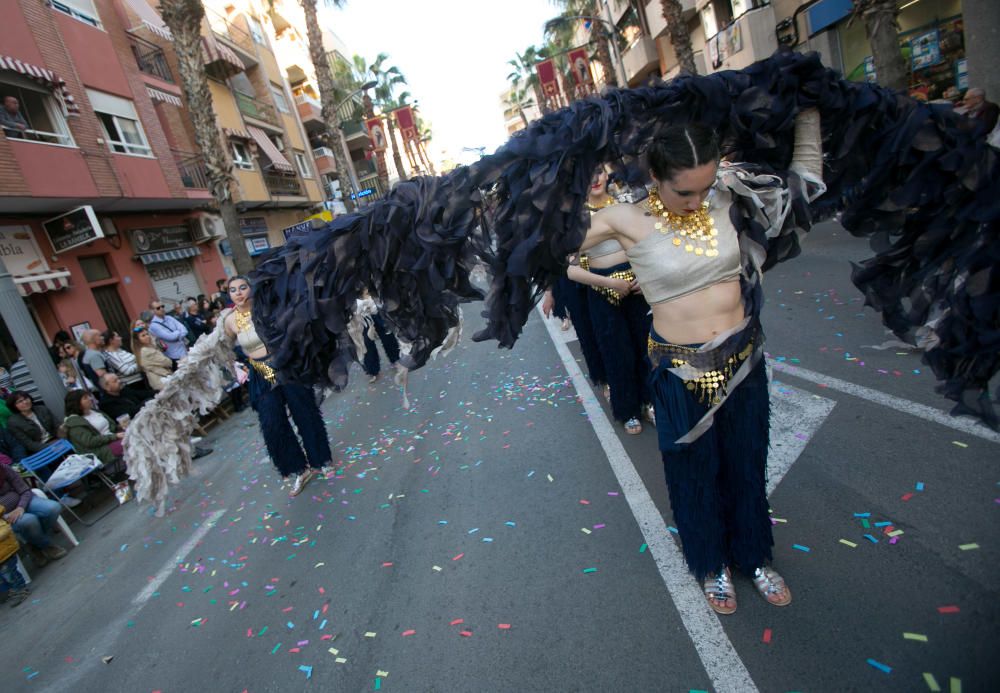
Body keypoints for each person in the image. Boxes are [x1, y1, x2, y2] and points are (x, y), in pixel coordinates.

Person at [580, 117, 827, 614]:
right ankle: (711, 564)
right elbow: (543, 251)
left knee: (747, 462)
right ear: (655, 176)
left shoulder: (732, 196)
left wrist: (807, 116)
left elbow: (804, 183)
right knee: (692, 474)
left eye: (705, 186)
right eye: (684, 191)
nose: (697, 200)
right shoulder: (619, 220)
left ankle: (754, 555)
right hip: (679, 374)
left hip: (743, 360)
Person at [223, 275, 331, 495]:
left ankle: (320, 460)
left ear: (251, 289)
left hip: (284, 364)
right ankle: (299, 469)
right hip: (262, 371)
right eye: (233, 290)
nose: (239, 292)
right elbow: (224, 348)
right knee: (272, 421)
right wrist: (237, 367)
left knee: (304, 412)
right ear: (229, 294)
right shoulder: (229, 321)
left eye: (243, 287)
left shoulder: (267, 308)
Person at [0, 462, 68, 566]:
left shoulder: (2, 468)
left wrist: (21, 506)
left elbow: (24, 490)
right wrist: (4, 516)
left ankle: (33, 544)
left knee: (53, 508)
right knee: (29, 521)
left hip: (23, 500)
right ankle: (47, 546)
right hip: (3, 517)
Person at [63, 389, 124, 467]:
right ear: (76, 404)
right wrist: (115, 436)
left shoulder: (93, 411)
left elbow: (110, 425)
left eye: (89, 396)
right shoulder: (74, 423)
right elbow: (90, 442)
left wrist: (119, 427)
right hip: (99, 449)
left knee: (136, 432)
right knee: (130, 442)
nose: (90, 398)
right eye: (85, 398)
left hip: (111, 438)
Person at [0, 505, 31, 606]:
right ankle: (14, 590)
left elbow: (5, 530)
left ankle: (21, 589)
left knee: (10, 574)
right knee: (5, 576)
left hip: (5, 552)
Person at [132, 325, 174, 391]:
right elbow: (167, 362)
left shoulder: (148, 348)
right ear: (137, 340)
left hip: (163, 379)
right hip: (162, 381)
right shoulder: (145, 351)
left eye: (147, 334)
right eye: (143, 336)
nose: (147, 337)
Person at [148, 300, 189, 364]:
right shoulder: (154, 326)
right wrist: (178, 332)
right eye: (158, 308)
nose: (161, 309)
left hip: (184, 350)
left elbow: (184, 330)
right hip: (174, 356)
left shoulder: (169, 318)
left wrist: (177, 335)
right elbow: (170, 337)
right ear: (152, 311)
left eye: (162, 306)